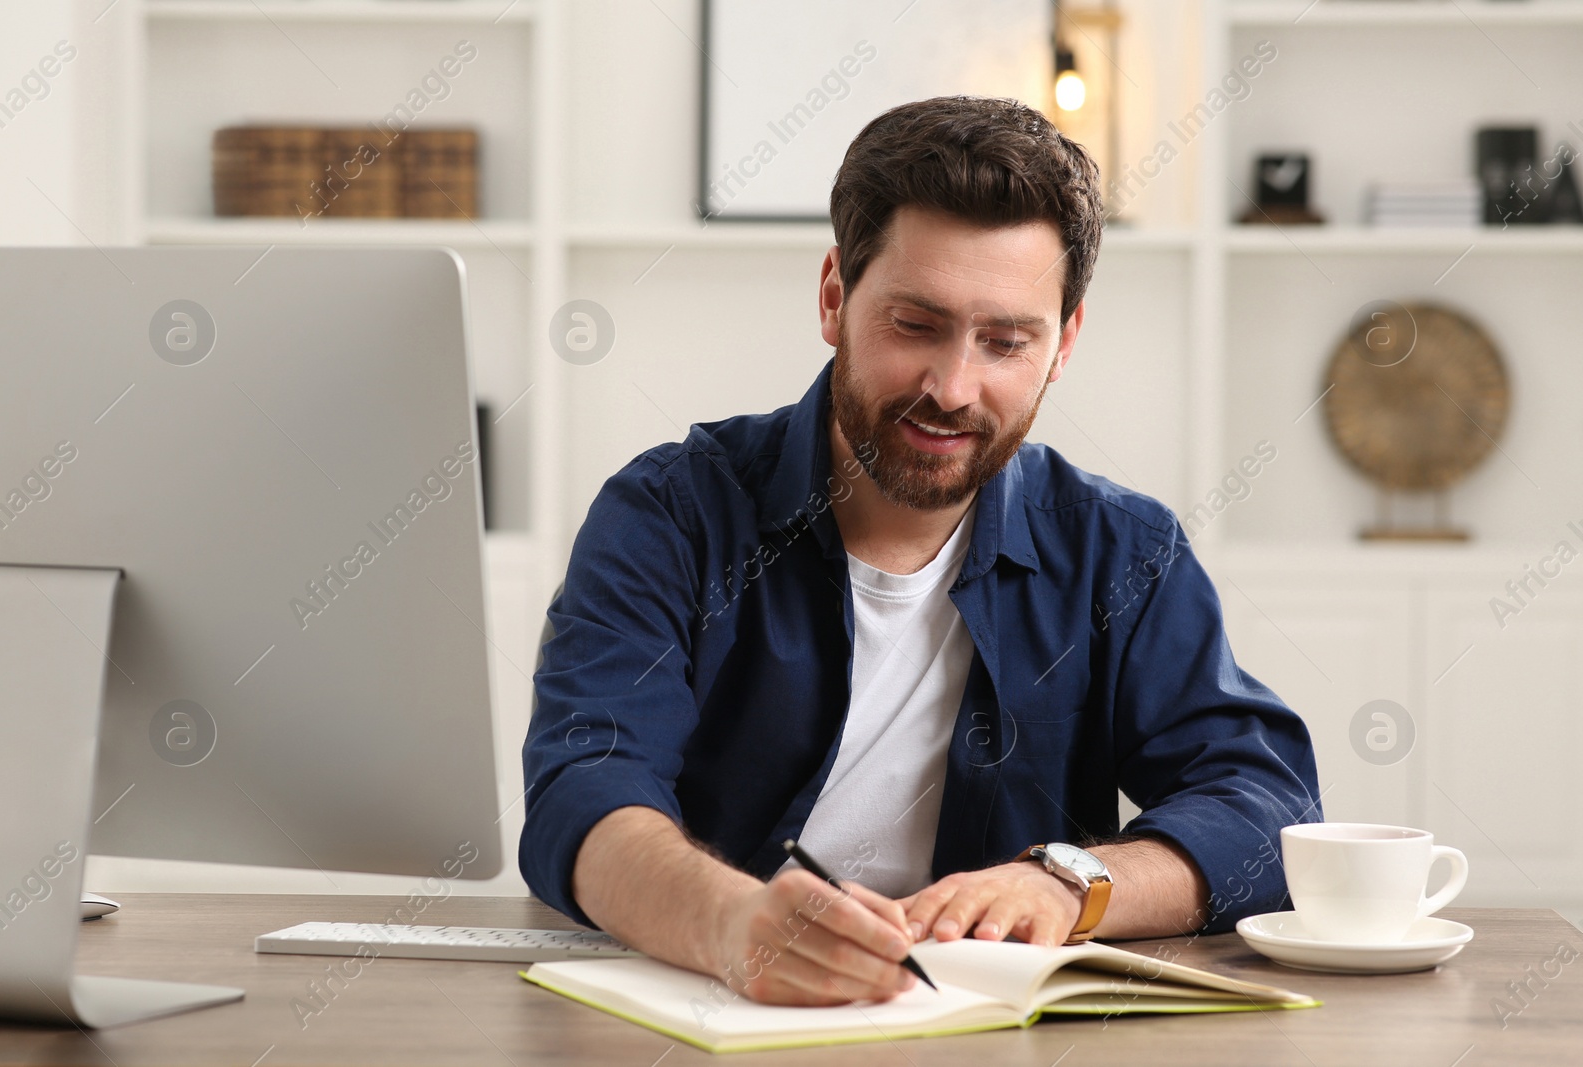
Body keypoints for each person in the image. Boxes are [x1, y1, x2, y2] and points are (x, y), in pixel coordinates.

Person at [520, 95, 1320, 1008]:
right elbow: (584, 792)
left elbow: (1269, 811)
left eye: (1006, 341)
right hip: (704, 1016)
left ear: (1063, 344)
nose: (953, 387)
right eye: (915, 325)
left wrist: (1067, 885)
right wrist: (731, 924)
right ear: (834, 297)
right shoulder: (670, 514)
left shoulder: (1121, 550)